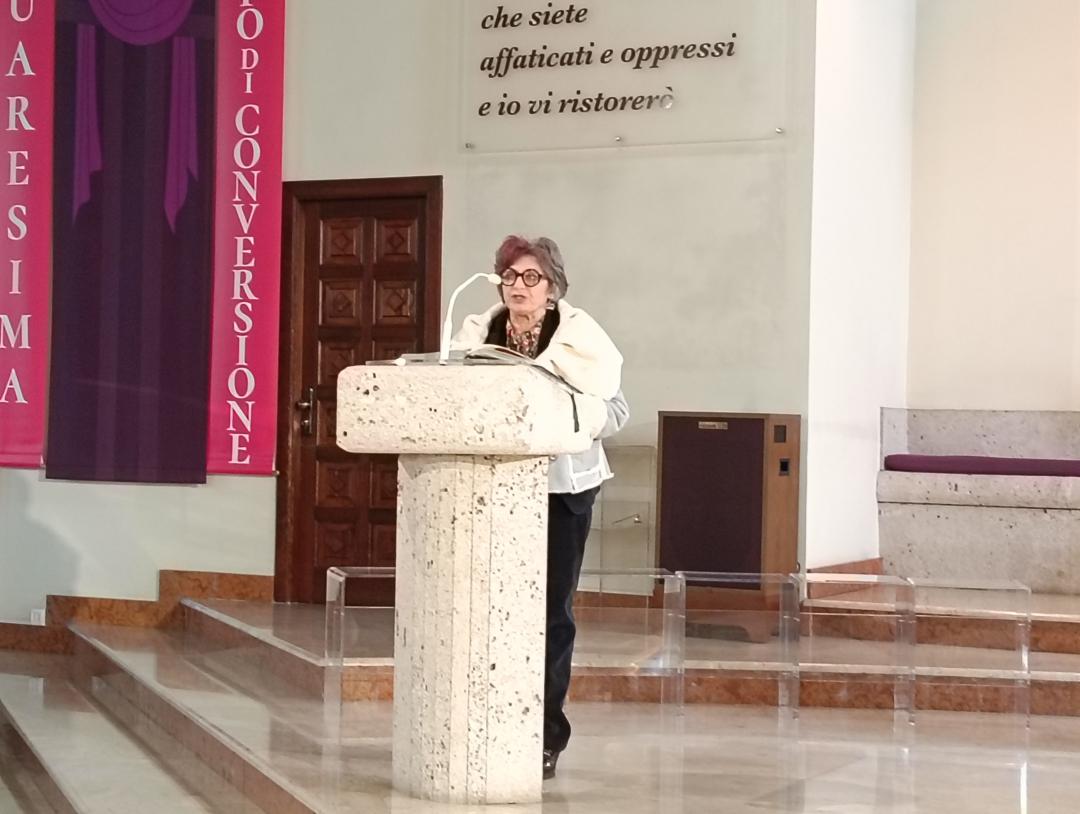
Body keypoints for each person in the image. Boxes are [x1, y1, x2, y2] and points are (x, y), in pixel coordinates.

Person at [452, 235, 629, 780]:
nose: (519, 286)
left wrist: (567, 418)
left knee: (552, 615)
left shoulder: (579, 339)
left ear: (552, 288)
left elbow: (616, 410)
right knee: (489, 610)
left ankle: (546, 736)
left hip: (561, 492)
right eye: (510, 276)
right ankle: (486, 725)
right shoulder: (478, 334)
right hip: (491, 490)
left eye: (532, 277)